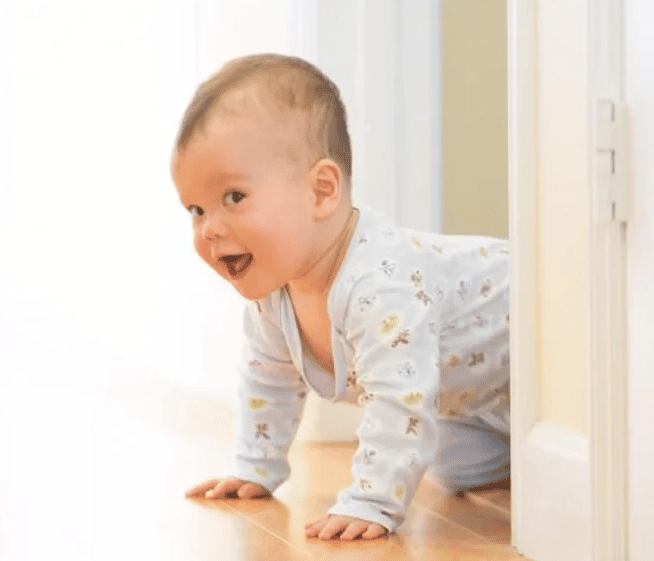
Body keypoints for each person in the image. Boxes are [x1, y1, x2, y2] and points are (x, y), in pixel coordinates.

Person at [172, 53, 511, 541]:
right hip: (469, 395)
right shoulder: (274, 295)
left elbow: (397, 398)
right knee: (459, 469)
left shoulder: (377, 283)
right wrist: (255, 467)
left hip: (532, 335)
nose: (210, 229)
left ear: (322, 191)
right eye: (196, 209)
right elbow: (268, 379)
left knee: (551, 437)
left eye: (234, 198)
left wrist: (373, 499)